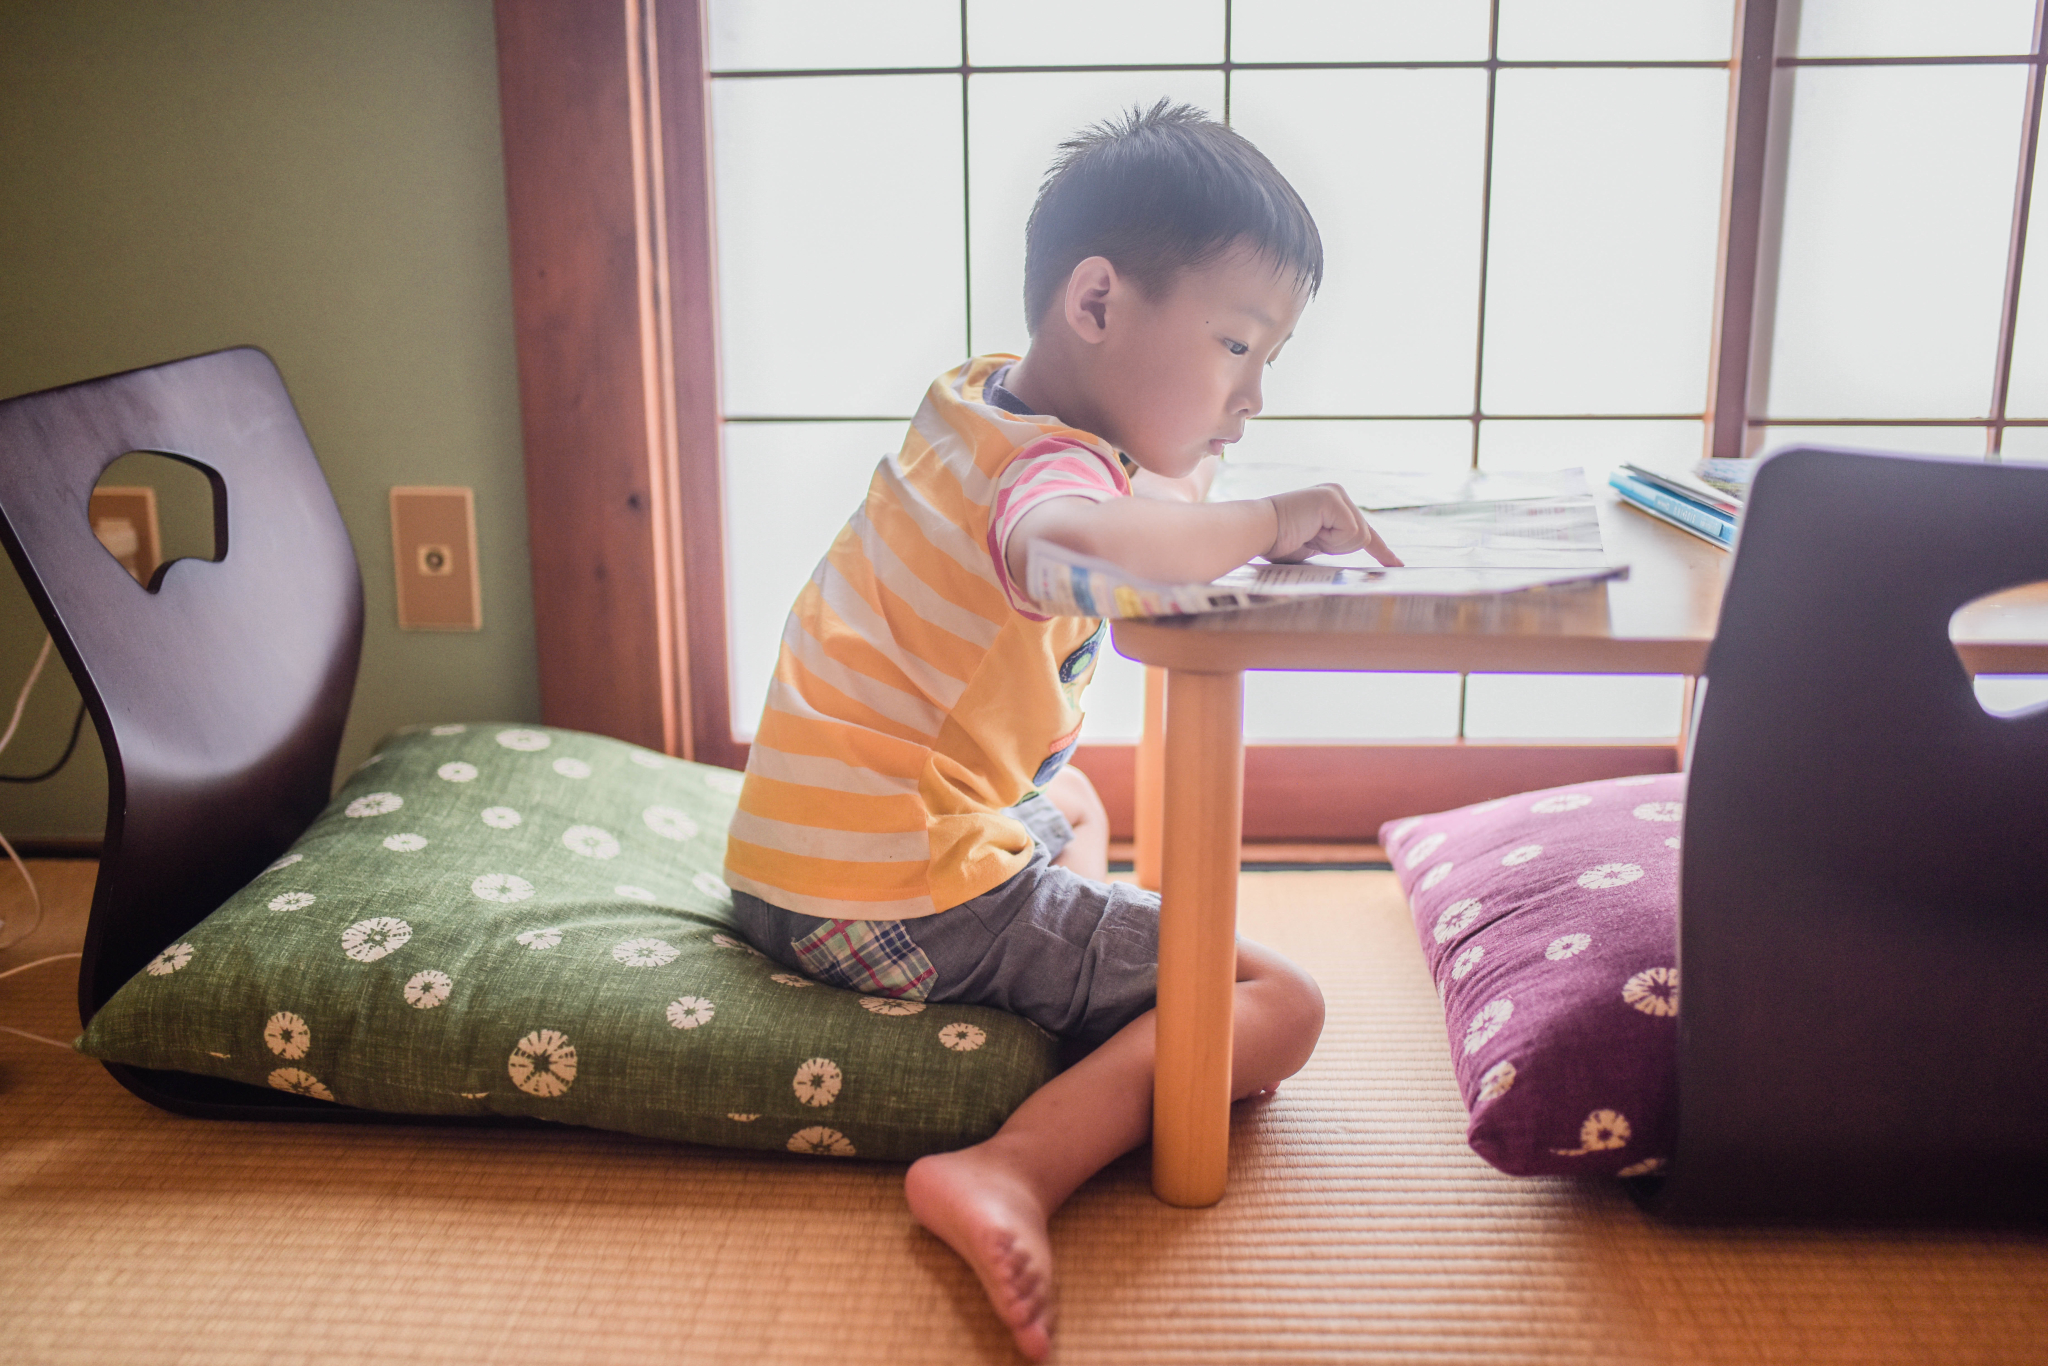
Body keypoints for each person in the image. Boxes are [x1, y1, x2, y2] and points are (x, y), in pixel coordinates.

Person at [722, 101, 1400, 1359]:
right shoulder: (1046, 485)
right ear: (1094, 304)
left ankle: (1056, 987)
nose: (1251, 397)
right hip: (894, 894)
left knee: (1078, 804)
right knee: (1280, 1001)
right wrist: (1259, 521)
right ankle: (1009, 1168)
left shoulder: (980, 399)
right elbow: (1069, 542)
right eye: (1236, 347)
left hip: (793, 855)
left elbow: (1133, 484)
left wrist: (1194, 471)